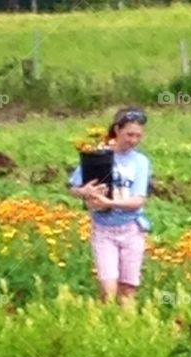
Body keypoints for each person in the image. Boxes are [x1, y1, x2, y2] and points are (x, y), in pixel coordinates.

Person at [68, 107, 152, 304]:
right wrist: (84, 192)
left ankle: (127, 329)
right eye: (129, 134)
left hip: (132, 229)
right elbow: (74, 187)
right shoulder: (97, 155)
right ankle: (104, 324)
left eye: (138, 136)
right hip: (104, 229)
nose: (133, 140)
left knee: (128, 289)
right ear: (117, 130)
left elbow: (138, 200)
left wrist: (110, 202)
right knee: (108, 289)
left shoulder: (140, 161)